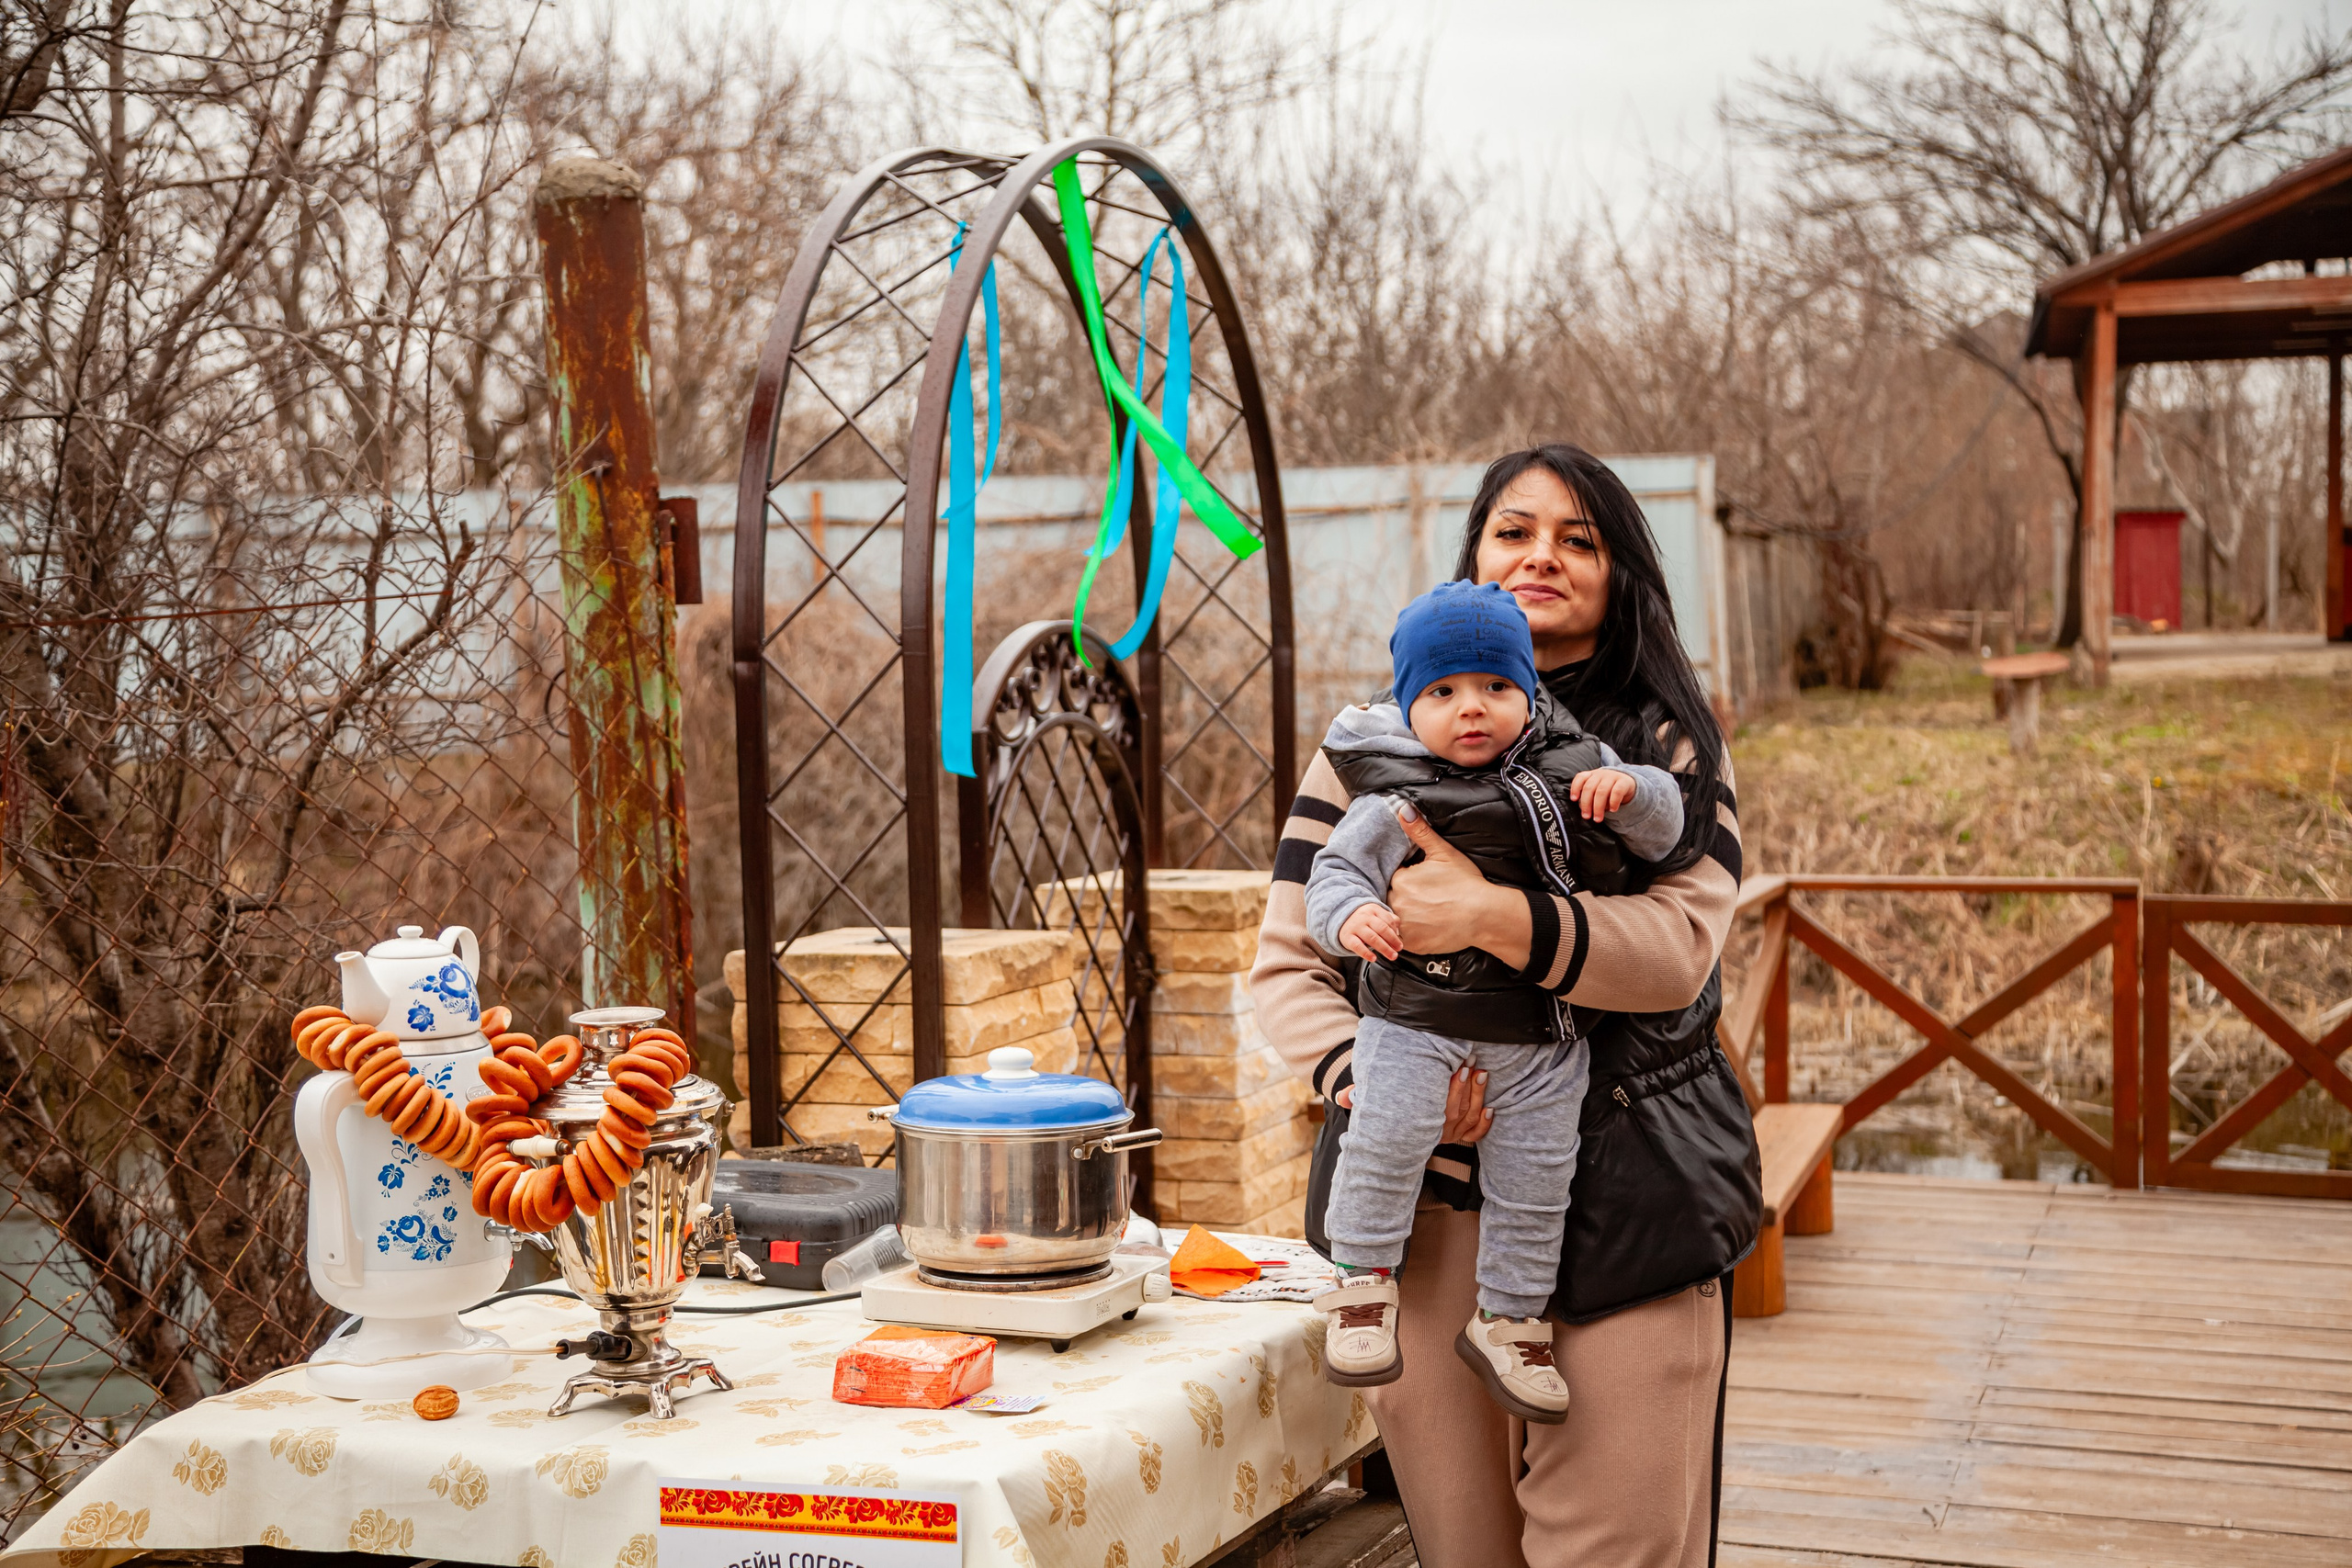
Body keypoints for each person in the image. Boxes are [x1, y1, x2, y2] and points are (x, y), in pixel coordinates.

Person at [1251, 444, 1760, 1568]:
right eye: (1515, 531)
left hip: (1629, 1208)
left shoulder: (1658, 754)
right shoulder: (1373, 750)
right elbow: (1287, 967)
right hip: (1421, 1227)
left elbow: (1676, 953)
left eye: (1580, 540)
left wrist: (1487, 916)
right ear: (1474, 555)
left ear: (1622, 573)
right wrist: (1377, 1087)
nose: (1543, 555)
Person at [1300, 580, 1686, 1422]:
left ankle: (1510, 1318)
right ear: (1408, 706)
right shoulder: (1389, 795)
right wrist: (1352, 914)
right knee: (1387, 1135)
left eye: (1495, 688)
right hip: (1417, 1022)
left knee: (1540, 1178)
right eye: (1442, 693)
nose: (1471, 709)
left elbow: (1665, 828)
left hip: (1543, 1036)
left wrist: (1634, 796)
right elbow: (1329, 877)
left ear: (1528, 692)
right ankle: (1362, 1285)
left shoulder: (1579, 765)